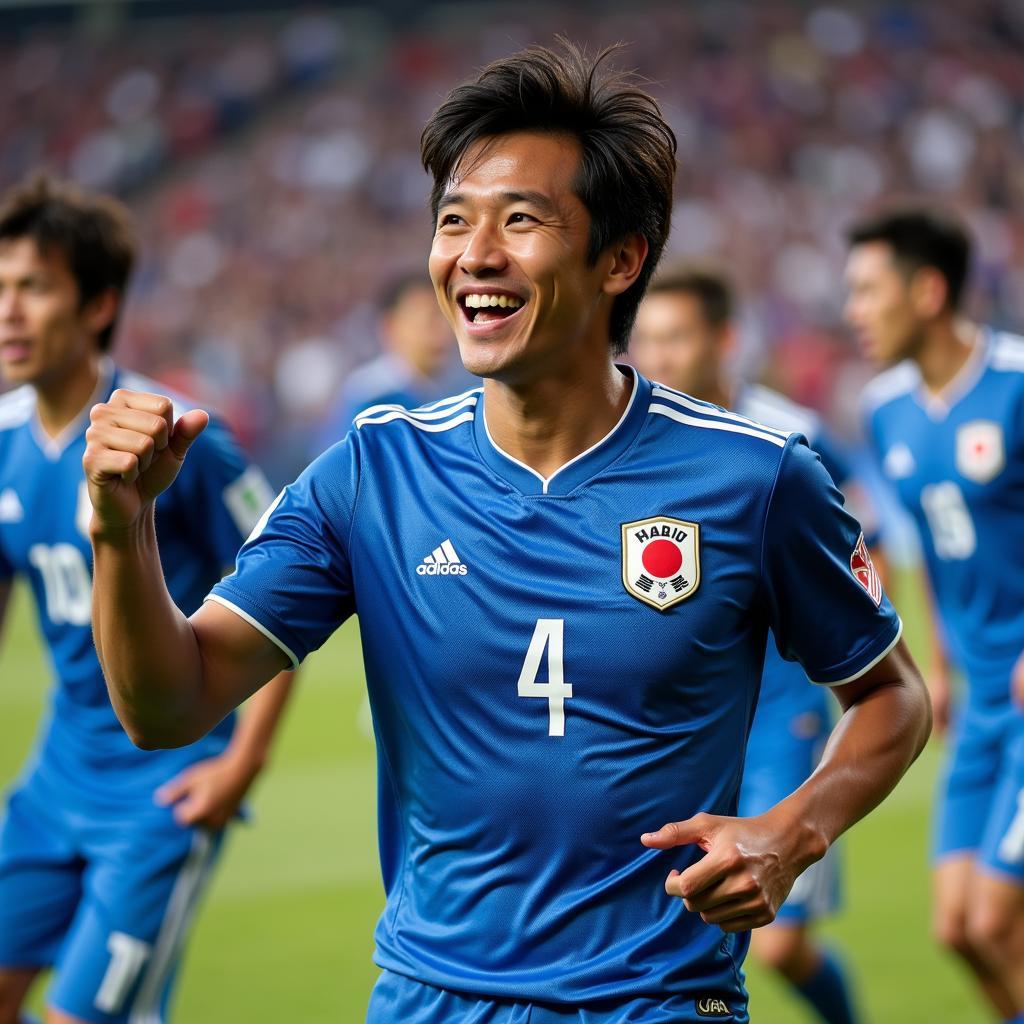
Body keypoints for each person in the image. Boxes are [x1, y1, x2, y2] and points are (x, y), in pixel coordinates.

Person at [84, 42, 930, 1024]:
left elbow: (890, 694)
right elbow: (168, 703)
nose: (472, 255)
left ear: (620, 259)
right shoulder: (372, 470)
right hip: (429, 1000)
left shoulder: (755, 475)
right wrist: (121, 529)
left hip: (657, 1000)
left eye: (519, 219)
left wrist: (792, 829)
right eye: (453, 221)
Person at [0, 175, 295, 1024]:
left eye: (34, 288)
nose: (11, 310)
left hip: (162, 788)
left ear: (97, 305)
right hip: (54, 781)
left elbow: (289, 587)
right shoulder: (7, 448)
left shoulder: (178, 438)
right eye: (2, 288)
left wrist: (243, 763)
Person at [632, 265, 874, 1024]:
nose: (658, 358)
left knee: (781, 946)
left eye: (675, 338)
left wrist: (848, 639)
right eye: (646, 340)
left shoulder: (788, 434)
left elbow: (865, 533)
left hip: (780, 712)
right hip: (678, 720)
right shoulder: (636, 439)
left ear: (725, 341)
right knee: (663, 928)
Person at [848, 207, 1024, 1024]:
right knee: (956, 927)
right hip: (980, 701)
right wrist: (941, 667)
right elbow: (930, 551)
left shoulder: (1018, 383)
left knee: (996, 919)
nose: (853, 311)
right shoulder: (887, 411)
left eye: (867, 291)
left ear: (926, 291)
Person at [312, 270, 469, 454]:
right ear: (391, 326)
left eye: (446, 319)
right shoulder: (371, 399)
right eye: (430, 321)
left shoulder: (445, 390)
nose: (443, 333)